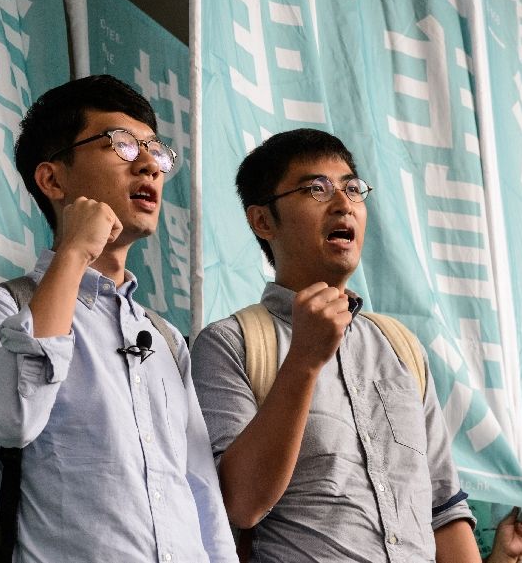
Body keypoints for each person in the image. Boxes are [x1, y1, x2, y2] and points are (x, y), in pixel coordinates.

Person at [0, 75, 237, 562]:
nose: (148, 164)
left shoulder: (165, 338)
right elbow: (11, 420)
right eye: (121, 145)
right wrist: (76, 252)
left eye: (155, 150)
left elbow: (201, 490)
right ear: (52, 179)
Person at [191, 128, 479, 562]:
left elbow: (444, 512)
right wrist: (304, 361)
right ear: (262, 220)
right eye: (316, 189)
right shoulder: (230, 345)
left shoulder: (400, 347)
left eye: (352, 188)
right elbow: (239, 504)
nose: (343, 203)